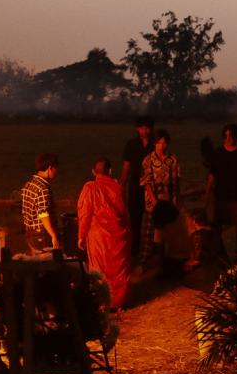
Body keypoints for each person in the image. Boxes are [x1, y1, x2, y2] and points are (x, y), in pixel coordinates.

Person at [77, 157, 132, 308]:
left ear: (94, 172)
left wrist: (81, 236)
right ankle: (119, 301)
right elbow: (124, 213)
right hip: (117, 234)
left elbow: (85, 214)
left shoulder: (90, 188)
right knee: (118, 269)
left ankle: (102, 302)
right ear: (110, 171)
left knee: (100, 269)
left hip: (98, 236)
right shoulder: (118, 188)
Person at [205, 123, 237, 261]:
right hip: (221, 195)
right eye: (225, 135)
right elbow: (212, 174)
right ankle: (218, 250)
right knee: (217, 224)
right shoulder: (218, 153)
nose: (228, 138)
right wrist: (207, 192)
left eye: (231, 134)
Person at [139, 130, 181, 265]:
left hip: (167, 197)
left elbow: (175, 182)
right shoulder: (148, 160)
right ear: (154, 144)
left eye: (164, 143)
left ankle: (166, 260)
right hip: (152, 199)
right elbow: (147, 183)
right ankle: (145, 260)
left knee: (166, 230)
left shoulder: (172, 159)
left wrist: (174, 199)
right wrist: (155, 202)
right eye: (159, 143)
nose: (161, 146)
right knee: (149, 230)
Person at [120, 116, 154, 256]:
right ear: (137, 129)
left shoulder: (154, 145)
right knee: (134, 217)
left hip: (151, 186)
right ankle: (134, 248)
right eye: (141, 128)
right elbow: (126, 166)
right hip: (135, 185)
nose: (144, 130)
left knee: (151, 218)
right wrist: (122, 183)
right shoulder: (131, 144)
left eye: (146, 128)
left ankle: (150, 248)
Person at [21, 153, 60, 254]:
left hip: (30, 233)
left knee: (35, 265)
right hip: (41, 235)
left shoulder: (28, 184)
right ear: (50, 168)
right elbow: (43, 214)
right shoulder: (43, 188)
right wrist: (53, 235)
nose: (56, 173)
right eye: (56, 169)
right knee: (46, 265)